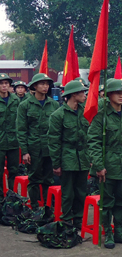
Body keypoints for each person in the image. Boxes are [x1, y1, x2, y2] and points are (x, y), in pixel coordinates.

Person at [87, 79, 122, 249]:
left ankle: (119, 230)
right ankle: (108, 232)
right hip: (107, 165)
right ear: (109, 95)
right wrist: (99, 166)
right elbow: (93, 142)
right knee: (107, 201)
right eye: (118, 93)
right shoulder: (101, 116)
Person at [47, 80, 89, 228]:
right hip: (67, 157)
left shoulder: (85, 112)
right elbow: (54, 141)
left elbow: (90, 137)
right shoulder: (58, 115)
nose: (84, 95)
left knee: (81, 191)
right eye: (81, 92)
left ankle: (78, 219)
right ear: (73, 95)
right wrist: (56, 164)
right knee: (68, 193)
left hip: (83, 157)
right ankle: (67, 219)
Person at [17, 73, 60, 208]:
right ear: (34, 86)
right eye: (42, 84)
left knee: (49, 179)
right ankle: (35, 207)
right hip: (33, 148)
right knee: (34, 179)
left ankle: (48, 207)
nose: (45, 86)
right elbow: (21, 129)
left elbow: (58, 129)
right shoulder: (25, 105)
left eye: (47, 84)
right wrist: (24, 151)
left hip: (49, 148)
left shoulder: (54, 104)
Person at [0, 73, 20, 196]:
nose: (4, 86)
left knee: (14, 170)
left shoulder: (16, 100)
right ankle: (1, 198)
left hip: (14, 141)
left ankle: (13, 197)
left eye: (6, 83)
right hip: (0, 141)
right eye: (1, 83)